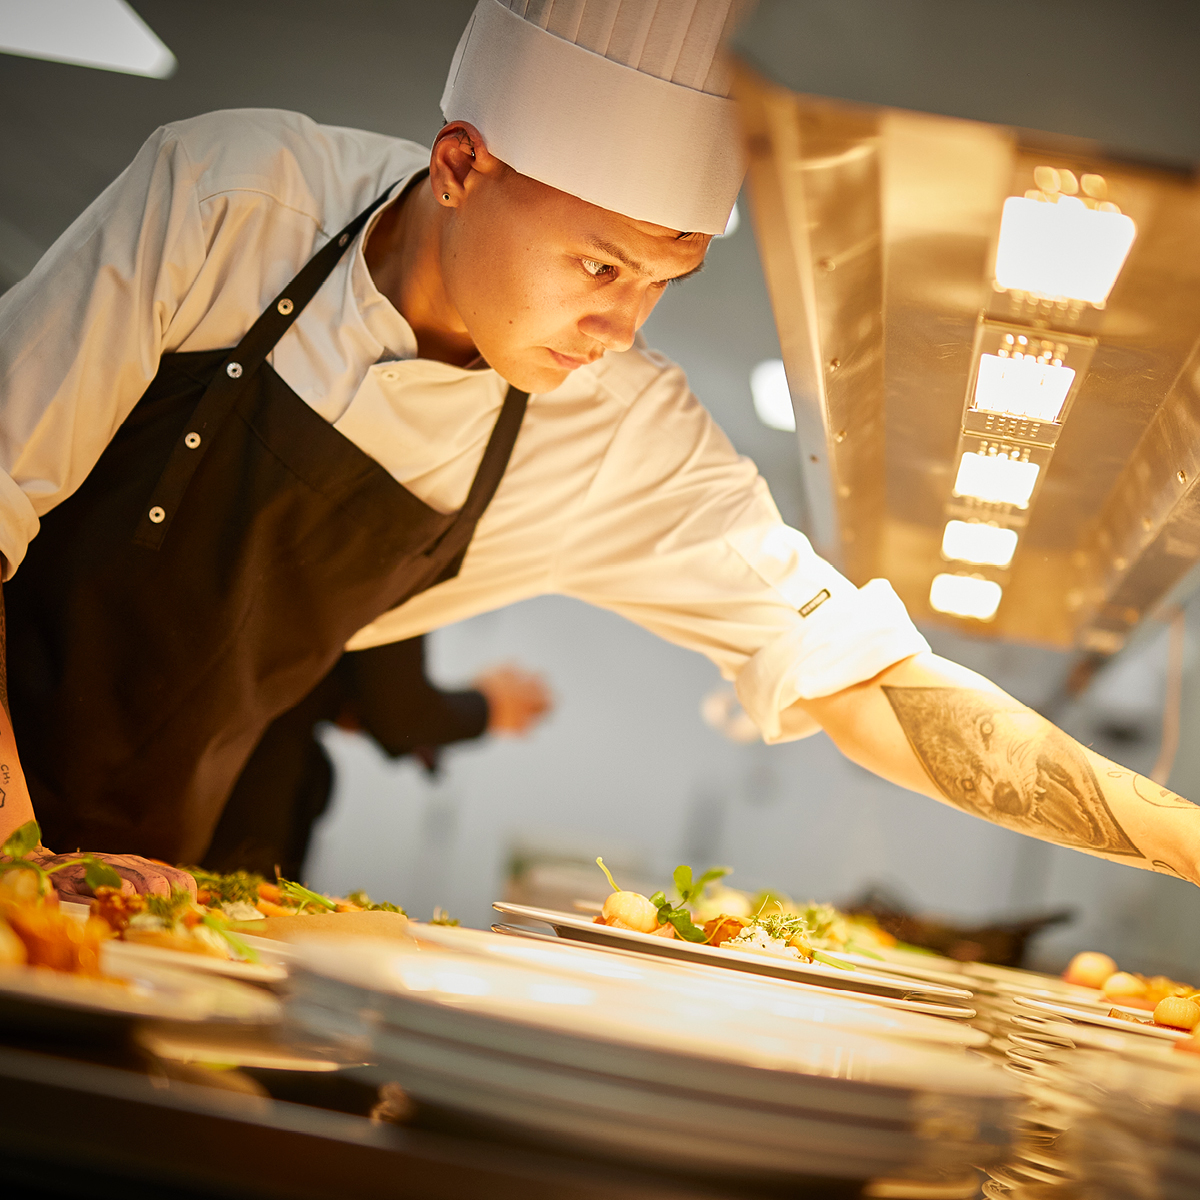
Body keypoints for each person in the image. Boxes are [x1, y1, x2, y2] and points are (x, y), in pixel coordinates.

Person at [0, 0, 1198, 899]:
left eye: (665, 281)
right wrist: (14, 855)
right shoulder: (232, 200)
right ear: (462, 167)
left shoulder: (617, 431)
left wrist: (1182, 839)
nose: (621, 327)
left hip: (140, 868)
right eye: (599, 264)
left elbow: (861, 677)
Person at [202, 638, 551, 880]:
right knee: (226, 929)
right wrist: (489, 705)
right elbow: (401, 713)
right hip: (244, 772)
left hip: (230, 749)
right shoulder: (409, 546)